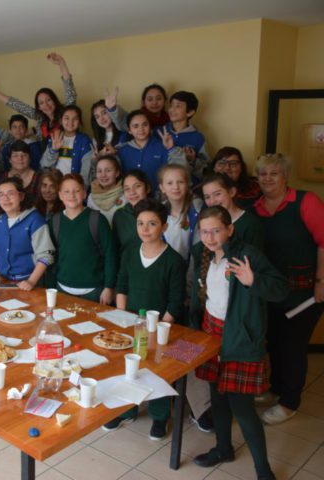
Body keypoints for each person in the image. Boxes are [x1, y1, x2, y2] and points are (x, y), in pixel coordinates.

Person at [189, 206, 288, 480]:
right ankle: (223, 448)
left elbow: (280, 289)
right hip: (212, 335)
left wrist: (253, 280)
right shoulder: (202, 254)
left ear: (230, 229)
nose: (209, 236)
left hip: (239, 339)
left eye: (216, 230)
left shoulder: (247, 255)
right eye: (204, 231)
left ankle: (263, 471)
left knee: (242, 409)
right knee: (217, 399)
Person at [251, 153, 324, 425]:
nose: (268, 178)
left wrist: (321, 281)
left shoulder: (306, 201)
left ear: (285, 176)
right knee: (276, 343)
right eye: (262, 174)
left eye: (274, 173)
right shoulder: (255, 208)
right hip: (271, 292)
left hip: (305, 293)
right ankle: (277, 389)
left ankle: (289, 402)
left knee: (293, 347)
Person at [107, 199, 186, 439]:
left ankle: (160, 416)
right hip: (131, 321)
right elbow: (122, 284)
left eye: (152, 223)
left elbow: (175, 300)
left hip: (160, 326)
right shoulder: (131, 250)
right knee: (127, 365)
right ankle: (126, 409)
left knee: (156, 369)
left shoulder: (173, 260)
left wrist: (159, 327)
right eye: (141, 223)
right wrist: (123, 317)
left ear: (164, 226)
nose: (145, 229)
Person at [51, 173, 116, 303]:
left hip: (94, 290)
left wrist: (109, 287)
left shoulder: (97, 220)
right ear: (60, 195)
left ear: (84, 193)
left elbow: (111, 255)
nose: (71, 195)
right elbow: (52, 256)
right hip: (62, 288)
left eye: (77, 191)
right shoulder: (55, 221)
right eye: (66, 191)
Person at [0, 52, 76, 143]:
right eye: (41, 103)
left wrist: (62, 63)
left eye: (48, 100)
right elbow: (16, 105)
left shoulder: (66, 114)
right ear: (39, 107)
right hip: (45, 156)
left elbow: (70, 91)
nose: (46, 105)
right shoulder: (40, 118)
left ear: (54, 100)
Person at [116, 109, 186, 191]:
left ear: (150, 126)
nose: (141, 129)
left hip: (158, 198)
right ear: (129, 131)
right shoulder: (122, 150)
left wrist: (171, 149)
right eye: (136, 126)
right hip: (132, 198)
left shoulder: (163, 146)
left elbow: (181, 172)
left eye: (145, 124)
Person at [201, 173, 264, 250]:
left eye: (217, 194)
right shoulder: (207, 223)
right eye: (207, 197)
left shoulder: (250, 224)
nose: (212, 201)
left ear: (232, 192)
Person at [159, 91, 209, 181]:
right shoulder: (159, 132)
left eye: (178, 106)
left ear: (189, 113)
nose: (172, 109)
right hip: (161, 188)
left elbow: (206, 171)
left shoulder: (198, 138)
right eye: (171, 105)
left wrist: (193, 161)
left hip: (189, 189)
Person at [40, 105, 94, 183]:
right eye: (66, 118)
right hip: (55, 185)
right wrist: (53, 150)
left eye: (75, 119)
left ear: (79, 122)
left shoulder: (84, 140)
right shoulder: (55, 137)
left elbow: (87, 170)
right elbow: (44, 165)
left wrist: (81, 188)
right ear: (61, 121)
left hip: (74, 188)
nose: (70, 122)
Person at [158, 164, 201, 261]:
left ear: (187, 184)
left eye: (180, 182)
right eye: (169, 183)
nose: (176, 187)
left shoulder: (198, 210)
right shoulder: (158, 213)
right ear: (162, 188)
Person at [112, 169, 151, 255]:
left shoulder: (158, 212)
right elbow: (115, 247)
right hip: (127, 266)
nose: (132, 192)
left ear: (147, 188)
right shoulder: (120, 215)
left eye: (137, 186)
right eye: (127, 189)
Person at [86, 155, 126, 226]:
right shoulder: (91, 197)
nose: (103, 175)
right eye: (99, 171)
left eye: (108, 171)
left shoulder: (126, 195)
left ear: (117, 173)